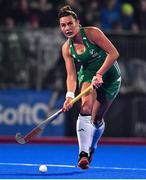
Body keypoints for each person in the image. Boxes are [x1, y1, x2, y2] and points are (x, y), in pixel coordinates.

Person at [58, 5, 121, 169]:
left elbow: (114, 53)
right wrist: (69, 96)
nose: (67, 28)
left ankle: (92, 147)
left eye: (70, 23)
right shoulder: (66, 48)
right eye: (63, 25)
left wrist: (99, 74)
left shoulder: (92, 33)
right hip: (87, 75)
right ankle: (83, 154)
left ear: (77, 23)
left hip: (111, 77)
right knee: (85, 107)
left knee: (97, 119)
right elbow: (71, 75)